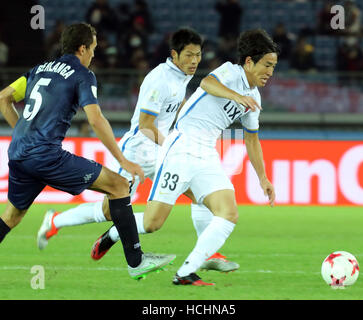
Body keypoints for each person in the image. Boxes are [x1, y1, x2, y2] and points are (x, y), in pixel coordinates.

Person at [38, 28, 239, 273]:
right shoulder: (160, 79)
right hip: (138, 153)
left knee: (201, 193)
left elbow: (174, 107)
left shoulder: (180, 76)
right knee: (108, 211)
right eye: (188, 55)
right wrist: (173, 146)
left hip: (162, 152)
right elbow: (145, 126)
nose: (194, 61)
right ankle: (56, 220)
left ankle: (208, 253)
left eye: (198, 55)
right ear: (174, 54)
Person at [0, 22, 174, 280]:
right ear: (82, 48)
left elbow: (4, 97)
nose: (94, 54)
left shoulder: (38, 69)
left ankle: (135, 260)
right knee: (118, 185)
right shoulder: (81, 74)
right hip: (46, 156)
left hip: (18, 153)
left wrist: (23, 134)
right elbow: (96, 119)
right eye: (93, 48)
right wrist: (123, 159)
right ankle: (136, 262)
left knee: (12, 216)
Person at [113, 28, 278, 286]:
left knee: (228, 212)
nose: (270, 72)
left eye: (273, 66)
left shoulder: (254, 97)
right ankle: (113, 233)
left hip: (206, 153)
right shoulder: (230, 73)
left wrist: (263, 178)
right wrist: (237, 96)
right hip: (180, 146)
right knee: (153, 222)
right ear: (249, 62)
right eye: (267, 65)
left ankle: (187, 271)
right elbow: (206, 83)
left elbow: (251, 139)